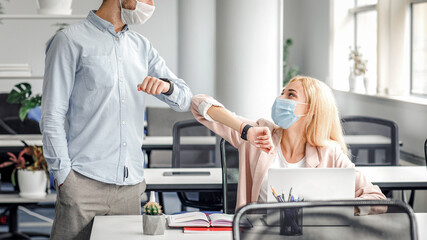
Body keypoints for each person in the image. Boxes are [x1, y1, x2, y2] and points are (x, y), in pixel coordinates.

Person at [40, 0, 192, 239]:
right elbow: (51, 116)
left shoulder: (142, 46)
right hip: (82, 185)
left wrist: (166, 87)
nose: (150, 4)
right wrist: (64, 179)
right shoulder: (69, 40)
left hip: (129, 189)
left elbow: (185, 99)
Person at [191, 76, 386, 214]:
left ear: (311, 110)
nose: (280, 99)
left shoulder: (329, 153)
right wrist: (245, 130)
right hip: (258, 234)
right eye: (282, 93)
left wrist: (336, 209)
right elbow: (199, 104)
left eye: (290, 95)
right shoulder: (257, 137)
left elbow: (378, 201)